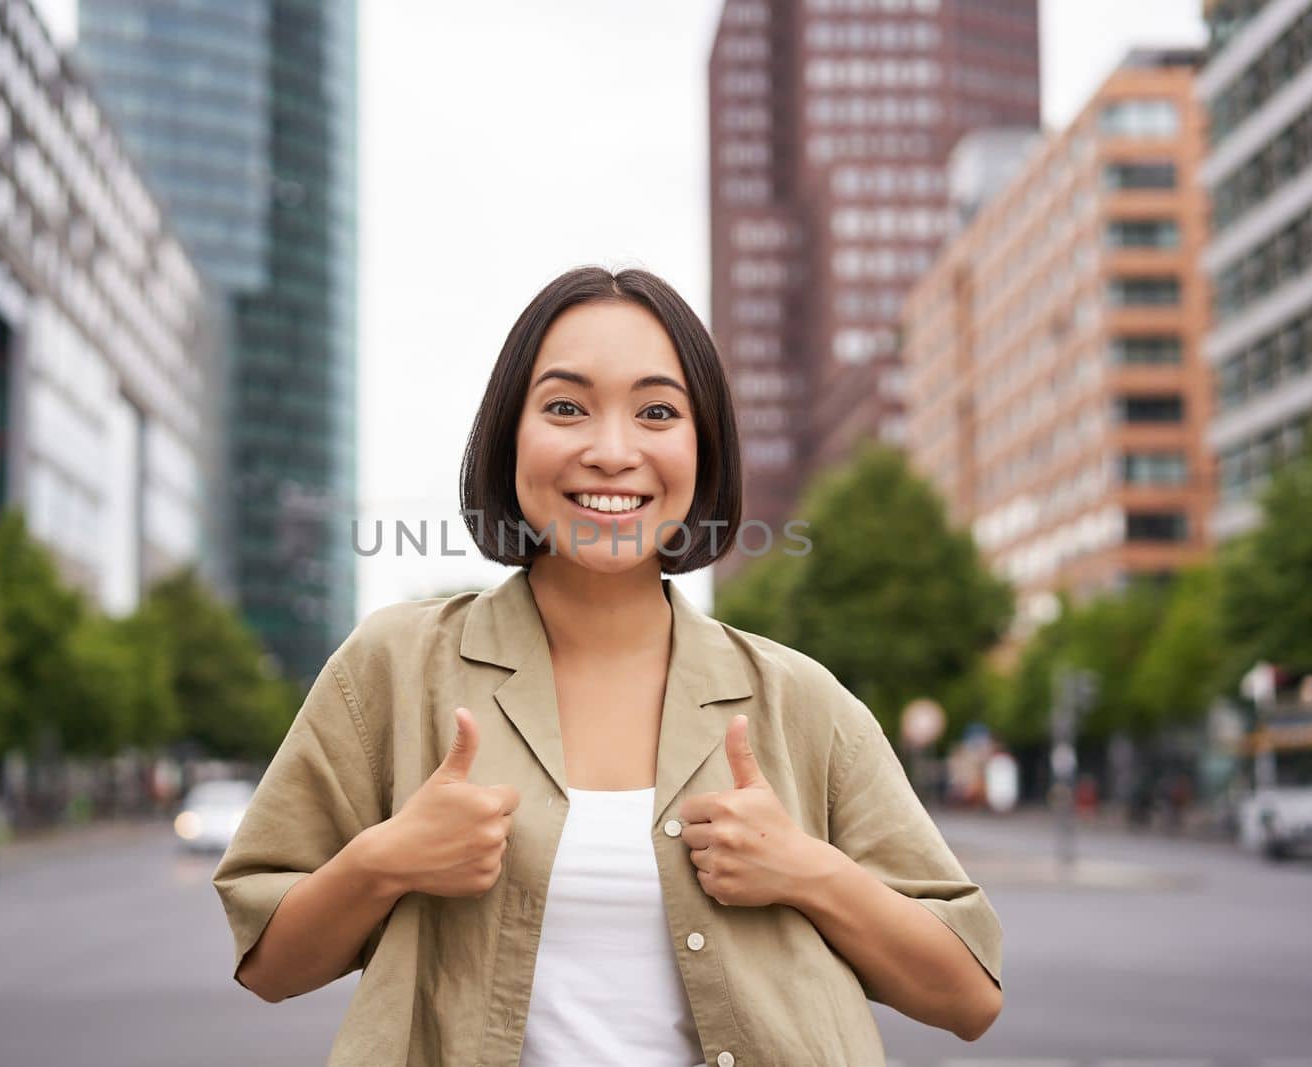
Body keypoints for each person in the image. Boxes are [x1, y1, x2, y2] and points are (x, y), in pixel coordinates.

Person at [213, 266, 1003, 1066]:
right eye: (565, 407)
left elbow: (969, 995)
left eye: (658, 412)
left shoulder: (801, 701)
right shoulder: (393, 667)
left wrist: (809, 872)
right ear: (509, 435)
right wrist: (384, 859)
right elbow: (270, 963)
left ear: (705, 452)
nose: (612, 451)